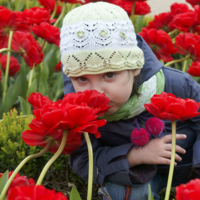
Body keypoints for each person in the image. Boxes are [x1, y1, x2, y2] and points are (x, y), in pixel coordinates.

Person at [60, 2, 200, 199]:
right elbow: (84, 161)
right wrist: (133, 155)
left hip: (190, 168)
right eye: (82, 79)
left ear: (135, 66)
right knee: (121, 191)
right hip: (137, 175)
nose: (96, 92)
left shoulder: (176, 84)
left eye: (109, 75)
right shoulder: (75, 109)